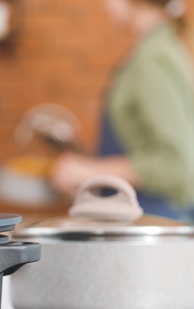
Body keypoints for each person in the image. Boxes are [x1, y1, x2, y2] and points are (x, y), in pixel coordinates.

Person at [51, 0, 194, 220]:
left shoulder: (153, 59)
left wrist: (87, 171)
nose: (105, 5)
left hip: (154, 223)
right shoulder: (157, 48)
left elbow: (176, 165)